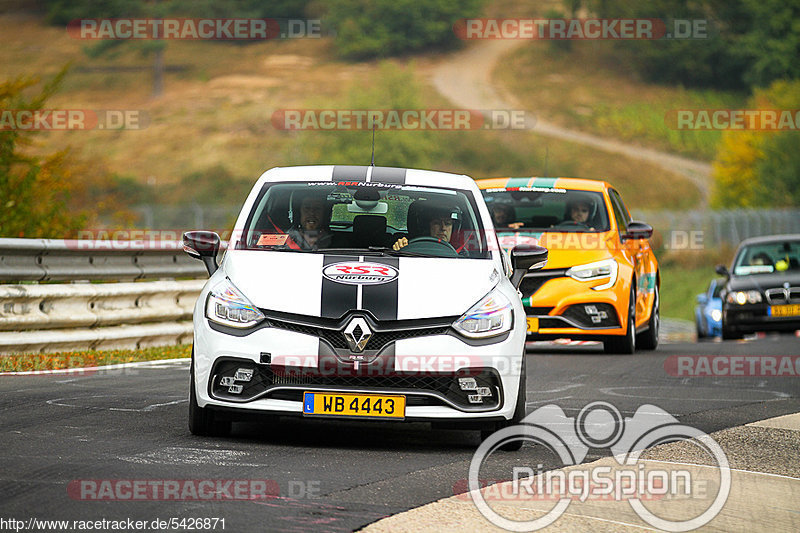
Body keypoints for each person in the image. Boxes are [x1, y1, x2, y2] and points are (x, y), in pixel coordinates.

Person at [393, 200, 460, 251]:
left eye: (448, 223)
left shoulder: (460, 253)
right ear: (427, 226)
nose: (443, 228)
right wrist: (400, 249)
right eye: (437, 223)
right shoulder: (408, 246)